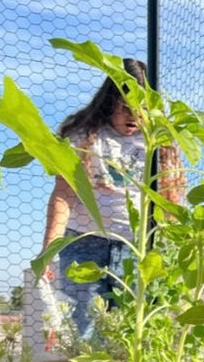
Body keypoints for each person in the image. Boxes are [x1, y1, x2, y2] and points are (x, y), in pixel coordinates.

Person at [41, 58, 184, 339]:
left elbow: (173, 197)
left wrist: (173, 247)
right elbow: (63, 193)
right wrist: (48, 250)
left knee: (132, 333)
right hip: (85, 242)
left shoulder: (162, 142)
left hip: (138, 247)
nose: (133, 116)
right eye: (125, 107)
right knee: (83, 331)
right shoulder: (84, 136)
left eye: (142, 108)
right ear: (109, 102)